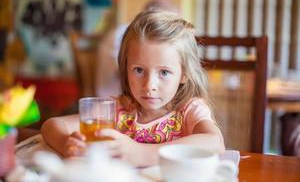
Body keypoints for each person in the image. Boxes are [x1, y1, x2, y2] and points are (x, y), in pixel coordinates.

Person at [41, 10, 225, 167]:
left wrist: (143, 153)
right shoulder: (116, 108)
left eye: (164, 72)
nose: (149, 85)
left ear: (184, 74)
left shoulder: (188, 110)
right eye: (139, 70)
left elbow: (215, 142)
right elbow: (52, 125)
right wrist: (66, 143)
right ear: (125, 68)